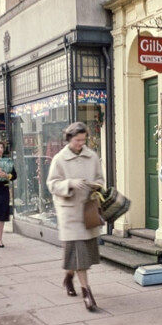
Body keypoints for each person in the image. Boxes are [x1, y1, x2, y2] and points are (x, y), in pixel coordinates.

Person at [46, 122, 104, 311]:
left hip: (88, 210)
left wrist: (96, 186)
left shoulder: (92, 156)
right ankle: (87, 293)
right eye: (77, 140)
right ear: (69, 139)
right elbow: (52, 184)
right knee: (79, 253)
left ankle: (68, 277)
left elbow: (101, 179)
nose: (81, 143)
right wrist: (70, 183)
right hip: (69, 211)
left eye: (83, 140)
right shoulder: (59, 159)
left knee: (81, 253)